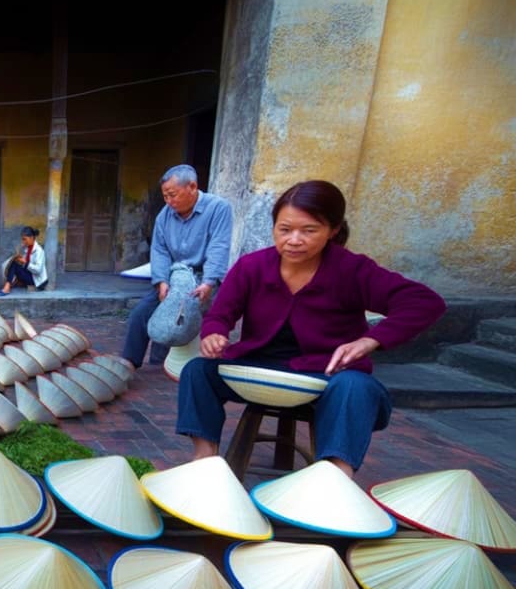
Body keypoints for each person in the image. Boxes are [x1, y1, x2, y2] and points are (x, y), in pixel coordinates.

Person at [175, 180, 446, 476]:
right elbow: (220, 314)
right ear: (274, 227)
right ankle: (204, 458)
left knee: (356, 386)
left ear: (332, 230)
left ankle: (336, 476)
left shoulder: (352, 270)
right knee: (197, 371)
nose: (294, 240)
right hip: (256, 367)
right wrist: (215, 333)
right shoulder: (252, 266)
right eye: (284, 229)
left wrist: (371, 341)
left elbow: (425, 302)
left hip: (327, 374)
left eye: (309, 230)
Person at [120, 165, 232, 370]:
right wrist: (161, 281)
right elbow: (160, 251)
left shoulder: (218, 208)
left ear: (192, 186)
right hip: (175, 277)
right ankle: (129, 361)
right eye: (165, 196)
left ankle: (191, 366)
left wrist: (209, 282)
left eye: (172, 195)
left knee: (202, 320)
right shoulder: (164, 215)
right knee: (141, 313)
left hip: (205, 277)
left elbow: (219, 247)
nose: (168, 201)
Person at [0, 226, 47, 296]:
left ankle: (7, 287)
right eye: (22, 239)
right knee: (15, 262)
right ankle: (9, 284)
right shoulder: (27, 248)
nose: (23, 242)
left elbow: (38, 270)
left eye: (25, 239)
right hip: (30, 275)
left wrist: (25, 262)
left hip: (37, 280)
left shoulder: (39, 251)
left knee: (14, 265)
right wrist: (19, 259)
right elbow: (26, 264)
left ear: (32, 238)